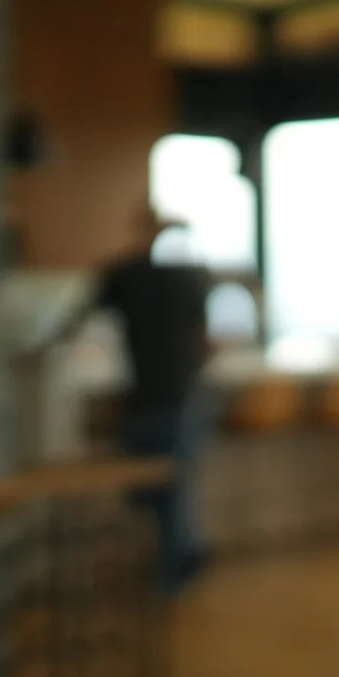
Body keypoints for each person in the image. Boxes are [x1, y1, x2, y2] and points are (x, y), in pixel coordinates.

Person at [87, 207, 215, 589]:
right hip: (175, 395)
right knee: (169, 489)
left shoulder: (124, 275)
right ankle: (174, 563)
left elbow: (87, 326)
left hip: (146, 397)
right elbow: (205, 341)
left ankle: (169, 567)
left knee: (153, 490)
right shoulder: (188, 277)